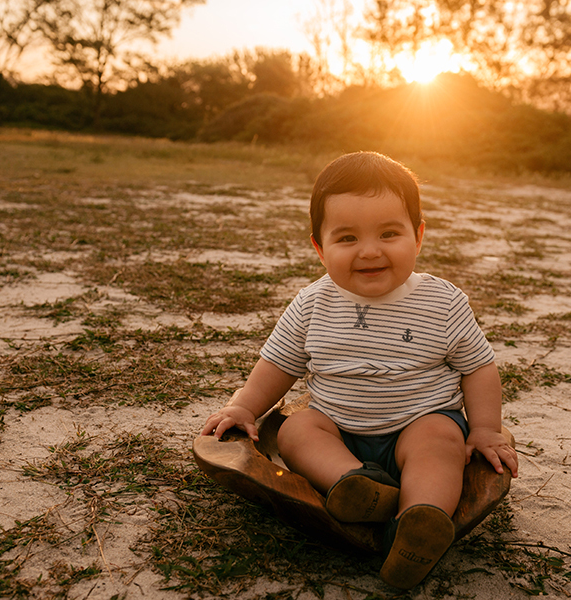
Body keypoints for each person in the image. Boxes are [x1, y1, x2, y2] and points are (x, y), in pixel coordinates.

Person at [200, 151, 518, 589]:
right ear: (319, 247)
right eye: (347, 238)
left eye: (389, 233)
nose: (370, 251)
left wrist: (484, 430)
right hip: (338, 428)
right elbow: (278, 364)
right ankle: (355, 485)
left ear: (419, 236)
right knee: (297, 430)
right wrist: (244, 408)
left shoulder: (442, 303)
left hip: (419, 423)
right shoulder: (313, 303)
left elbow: (479, 368)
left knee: (441, 443)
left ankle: (417, 524)